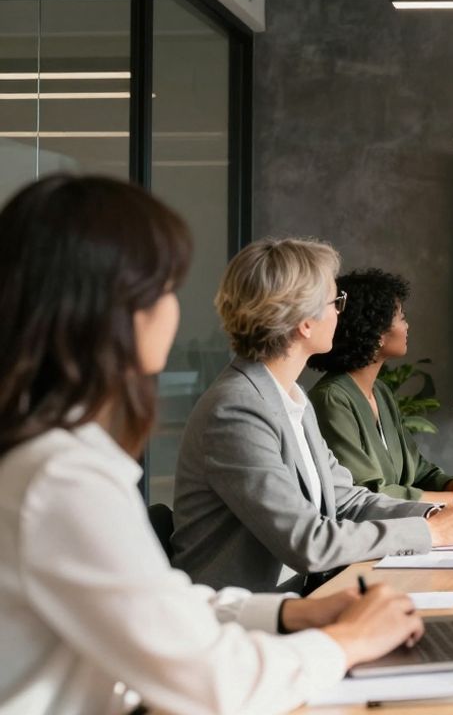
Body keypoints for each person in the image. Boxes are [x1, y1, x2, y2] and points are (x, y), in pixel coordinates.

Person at [0, 175, 423, 714]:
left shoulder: (51, 455)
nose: (176, 310)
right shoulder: (61, 478)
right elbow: (213, 682)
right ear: (118, 309)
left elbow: (157, 606)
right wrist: (349, 641)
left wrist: (292, 616)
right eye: (166, 288)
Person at [172, 239, 453, 594]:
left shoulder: (290, 396)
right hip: (245, 623)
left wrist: (431, 517)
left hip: (297, 601)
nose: (340, 313)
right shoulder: (235, 410)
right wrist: (430, 533)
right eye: (336, 302)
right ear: (305, 323)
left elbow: (345, 499)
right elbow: (309, 543)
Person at [307, 268, 453, 506]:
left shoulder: (381, 393)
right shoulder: (332, 399)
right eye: (401, 318)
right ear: (376, 333)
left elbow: (420, 474)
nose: (407, 327)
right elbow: (368, 494)